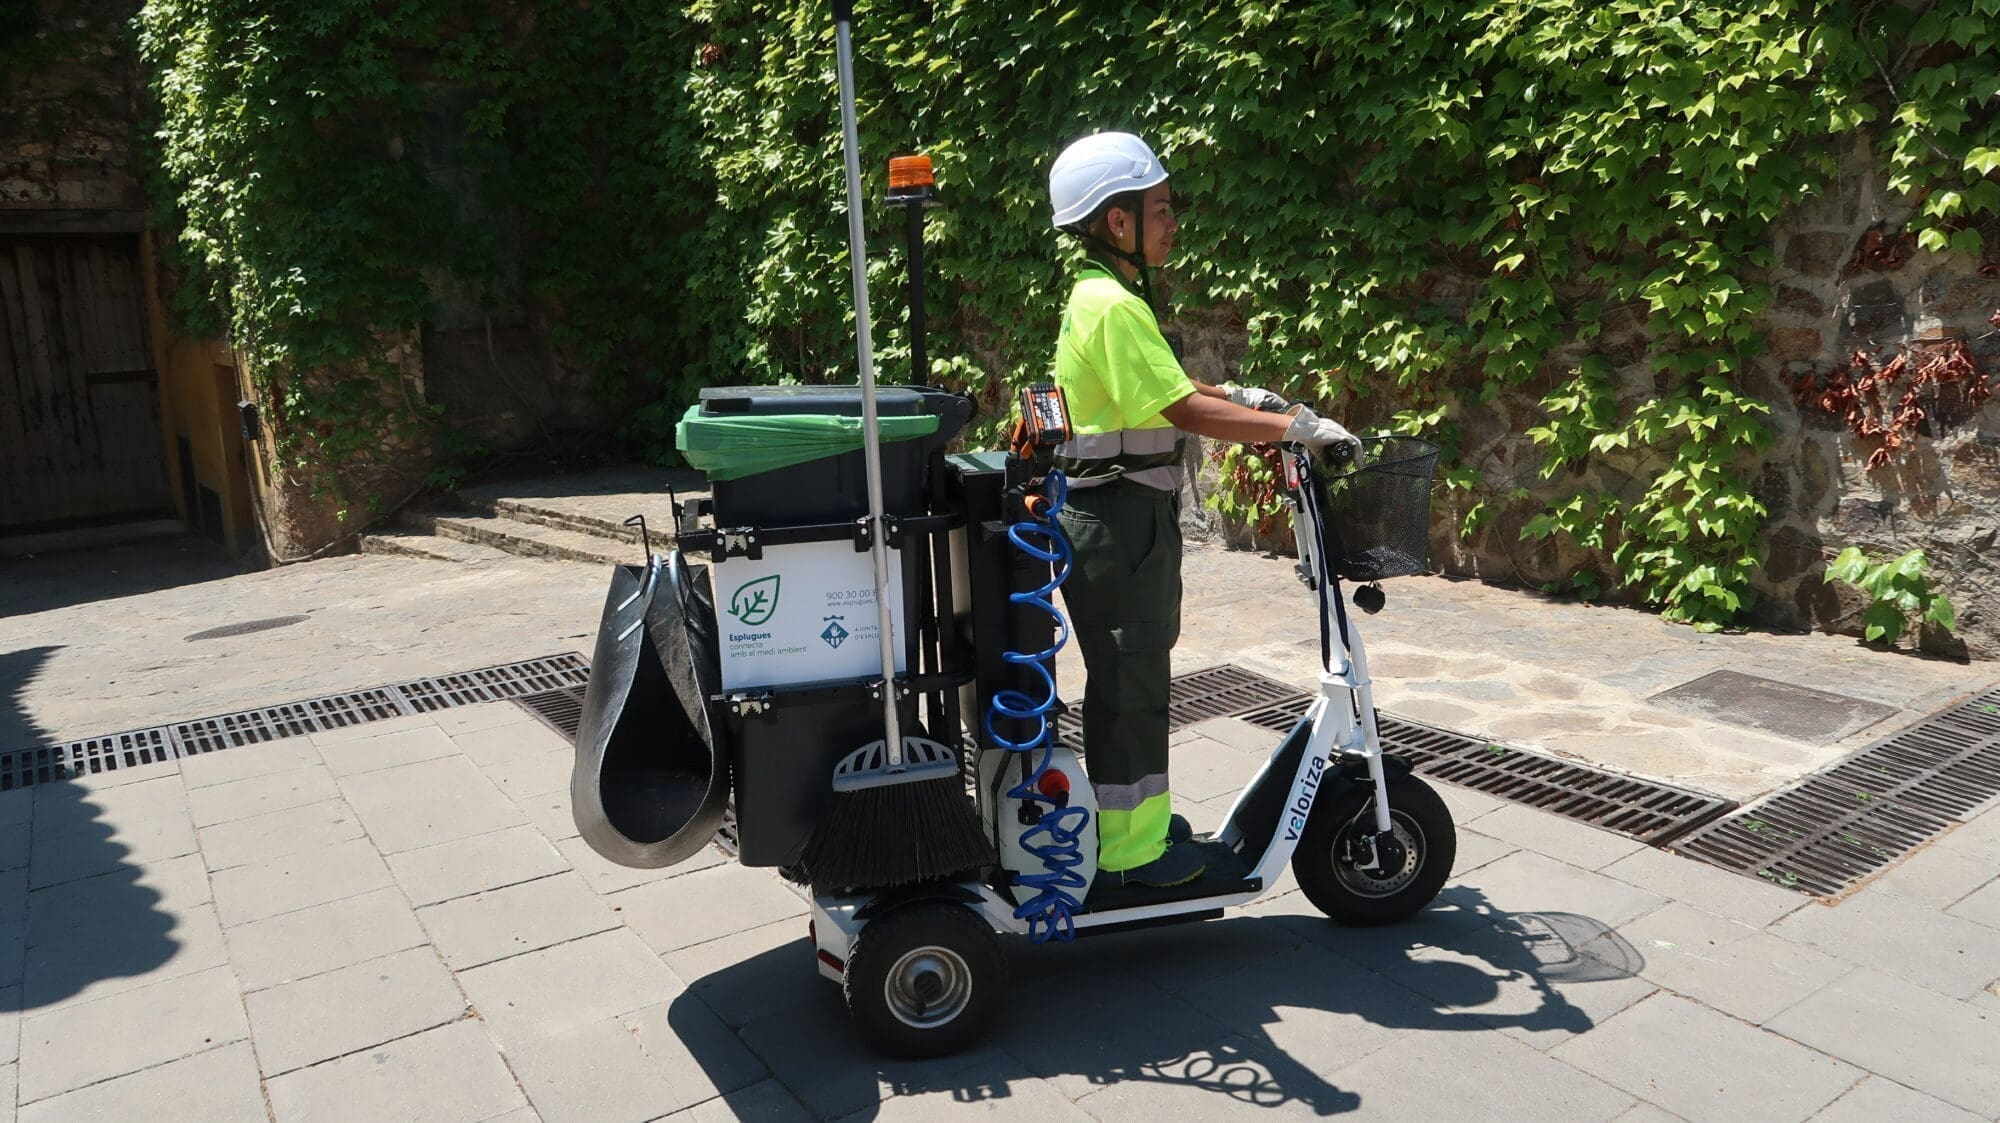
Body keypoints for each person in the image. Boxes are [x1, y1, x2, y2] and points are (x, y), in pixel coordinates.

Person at [1046, 131, 1362, 889]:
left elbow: (1172, 393)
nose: (1171, 222)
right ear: (1114, 222)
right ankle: (1132, 856)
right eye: (1157, 208)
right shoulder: (1112, 307)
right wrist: (1296, 429)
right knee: (1130, 684)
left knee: (1136, 675)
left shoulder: (1110, 298)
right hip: (1118, 526)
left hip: (1122, 523)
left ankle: (1139, 827)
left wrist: (1248, 399)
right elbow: (1186, 410)